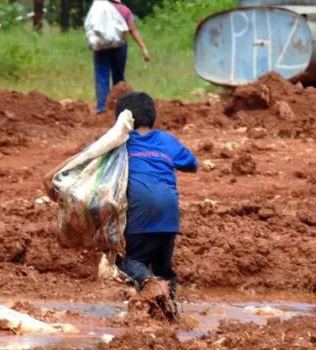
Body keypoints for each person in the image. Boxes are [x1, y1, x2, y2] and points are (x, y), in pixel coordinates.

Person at [115, 92, 198, 314]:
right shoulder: (166, 140)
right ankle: (170, 312)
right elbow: (192, 163)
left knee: (133, 261)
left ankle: (150, 284)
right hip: (169, 216)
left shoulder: (120, 143)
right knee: (164, 267)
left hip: (140, 214)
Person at [92, 0, 151, 114]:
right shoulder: (124, 10)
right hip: (119, 47)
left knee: (101, 76)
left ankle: (101, 107)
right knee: (119, 78)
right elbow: (132, 30)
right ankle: (120, 107)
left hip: (101, 47)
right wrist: (143, 48)